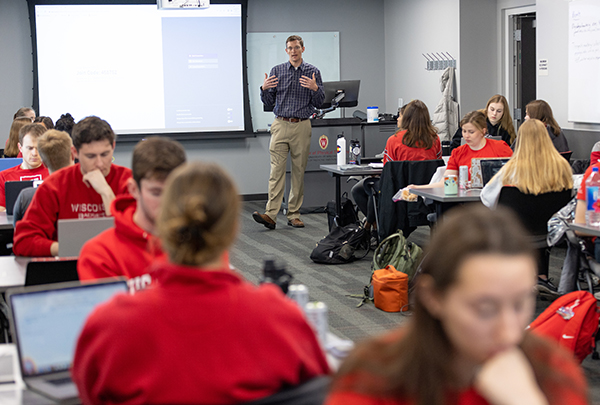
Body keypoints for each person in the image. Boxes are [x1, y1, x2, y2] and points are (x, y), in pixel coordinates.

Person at [72, 162, 330, 404]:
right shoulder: (281, 319)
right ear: (232, 231)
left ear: (162, 224)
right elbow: (321, 388)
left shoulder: (108, 326)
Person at [325, 205, 588, 405]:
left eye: (520, 304)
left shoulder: (551, 369)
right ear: (433, 297)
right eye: (485, 308)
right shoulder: (374, 375)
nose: (509, 331)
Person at [77, 137, 187, 291]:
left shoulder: (202, 242)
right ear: (134, 189)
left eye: (175, 192)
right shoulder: (100, 253)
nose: (168, 202)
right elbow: (108, 315)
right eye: (156, 193)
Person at [13, 116, 132, 257]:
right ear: (74, 152)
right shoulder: (56, 185)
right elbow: (23, 241)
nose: (99, 163)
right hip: (69, 268)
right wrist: (70, 248)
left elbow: (136, 235)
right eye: (91, 156)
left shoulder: (127, 180)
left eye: (105, 154)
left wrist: (106, 192)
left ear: (113, 147)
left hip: (119, 267)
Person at [480, 119, 573, 293]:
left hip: (516, 232)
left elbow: (486, 199)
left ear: (520, 140)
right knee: (537, 221)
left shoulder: (509, 171)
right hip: (552, 232)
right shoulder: (563, 168)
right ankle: (541, 277)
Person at [253, 34, 324, 230]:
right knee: (276, 171)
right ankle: (271, 214)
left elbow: (319, 102)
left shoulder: (312, 71)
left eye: (296, 47)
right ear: (286, 51)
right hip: (280, 124)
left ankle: (294, 214)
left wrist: (315, 88)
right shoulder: (277, 71)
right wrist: (264, 89)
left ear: (303, 49)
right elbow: (268, 102)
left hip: (302, 125)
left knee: (298, 171)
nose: (293, 51)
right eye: (290, 48)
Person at [352, 101, 441, 237]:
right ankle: (372, 225)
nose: (398, 118)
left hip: (401, 194)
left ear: (407, 118)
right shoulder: (435, 140)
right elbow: (437, 168)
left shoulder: (394, 140)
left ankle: (373, 225)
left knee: (361, 189)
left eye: (400, 115)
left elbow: (388, 171)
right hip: (426, 194)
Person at [412, 110, 513, 189]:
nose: (466, 135)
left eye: (471, 132)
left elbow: (515, 174)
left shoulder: (501, 147)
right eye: (464, 131)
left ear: (483, 131)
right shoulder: (458, 152)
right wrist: (419, 188)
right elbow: (446, 182)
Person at [13, 130, 75, 226]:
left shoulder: (26, 196)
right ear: (73, 155)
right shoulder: (89, 190)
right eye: (30, 148)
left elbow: (17, 230)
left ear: (44, 163)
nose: (34, 153)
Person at [0, 123, 50, 210]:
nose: (34, 153)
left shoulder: (55, 174)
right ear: (20, 147)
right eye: (29, 148)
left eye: (39, 148)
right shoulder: (4, 177)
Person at [450, 95, 516, 151]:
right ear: (487, 108)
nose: (494, 113)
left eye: (499, 111)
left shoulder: (507, 128)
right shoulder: (475, 120)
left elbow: (510, 151)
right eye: (492, 109)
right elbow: (455, 144)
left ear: (504, 113)